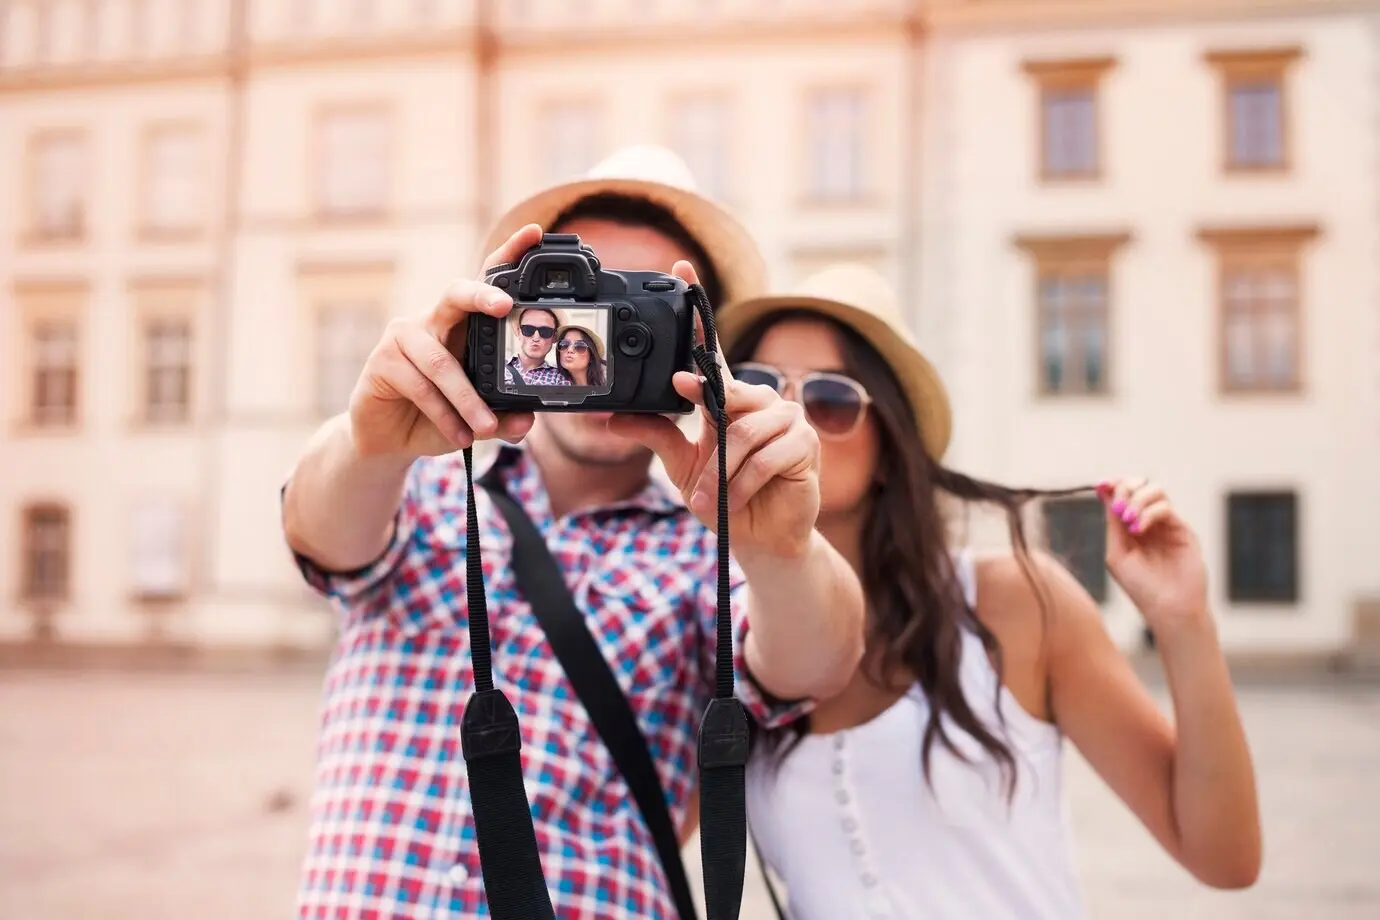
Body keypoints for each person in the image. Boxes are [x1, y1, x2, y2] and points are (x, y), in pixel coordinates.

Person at [279, 146, 867, 919]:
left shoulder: (713, 543)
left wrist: (782, 550)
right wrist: (369, 444)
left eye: (635, 308)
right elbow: (322, 535)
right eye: (578, 296)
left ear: (697, 346)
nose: (602, 334)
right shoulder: (416, 482)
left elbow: (816, 660)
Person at [715, 264, 1262, 919]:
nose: (790, 420)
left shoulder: (1019, 603)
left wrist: (1185, 622)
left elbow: (1224, 857)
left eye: (830, 399)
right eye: (759, 385)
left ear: (890, 445)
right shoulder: (722, 639)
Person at [506, 305, 573, 387]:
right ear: (518, 332)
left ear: (554, 337)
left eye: (545, 331)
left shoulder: (560, 378)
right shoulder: (497, 368)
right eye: (528, 329)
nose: (536, 338)